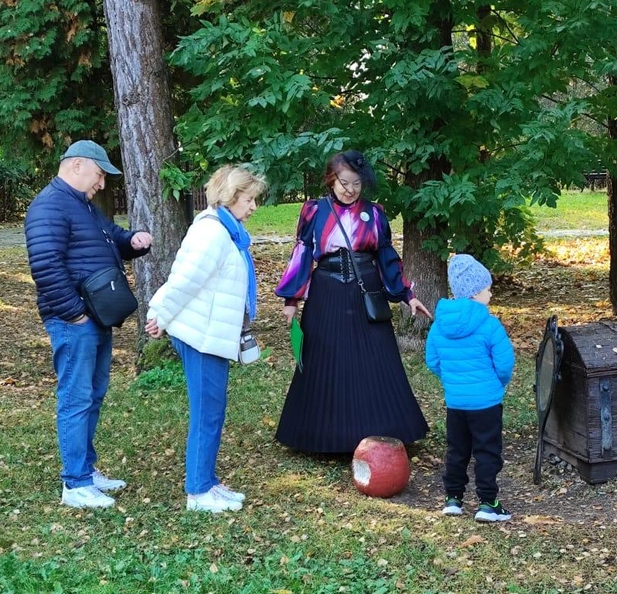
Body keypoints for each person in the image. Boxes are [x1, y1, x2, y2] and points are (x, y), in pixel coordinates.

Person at [275, 150, 432, 453]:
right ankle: (322, 435)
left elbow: (386, 256)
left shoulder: (374, 213)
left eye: (357, 184)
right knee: (324, 358)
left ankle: (382, 431)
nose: (350, 190)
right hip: (326, 291)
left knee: (375, 359)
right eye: (344, 183)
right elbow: (303, 253)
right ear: (331, 180)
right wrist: (292, 298)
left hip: (365, 290)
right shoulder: (314, 210)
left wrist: (406, 294)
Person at [25, 139, 152, 509]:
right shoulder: (49, 205)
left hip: (96, 317)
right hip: (74, 319)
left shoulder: (82, 206)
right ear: (77, 165)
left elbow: (111, 238)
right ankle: (75, 483)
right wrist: (74, 312)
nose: (101, 183)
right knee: (76, 398)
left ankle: (85, 469)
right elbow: (46, 266)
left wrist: (133, 241)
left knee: (92, 395)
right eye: (99, 174)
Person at [145, 165, 267, 513]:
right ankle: (198, 491)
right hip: (199, 336)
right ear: (231, 197)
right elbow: (184, 280)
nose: (253, 206)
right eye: (249, 198)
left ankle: (207, 482)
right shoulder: (213, 233)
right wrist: (161, 315)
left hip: (210, 333)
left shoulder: (229, 232)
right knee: (207, 413)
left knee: (212, 411)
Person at [425, 254, 516, 523]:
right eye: (488, 289)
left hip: (456, 403)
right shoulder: (489, 325)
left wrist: (452, 379)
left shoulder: (440, 325)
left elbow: (433, 361)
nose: (490, 293)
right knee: (487, 451)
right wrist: (497, 383)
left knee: (457, 450)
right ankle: (488, 503)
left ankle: (453, 498)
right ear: (476, 292)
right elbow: (504, 362)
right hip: (486, 403)